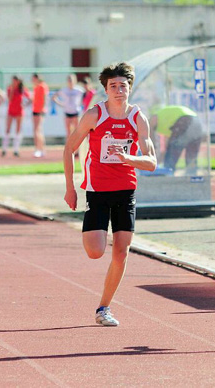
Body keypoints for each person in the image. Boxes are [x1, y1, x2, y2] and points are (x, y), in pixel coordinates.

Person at [63, 62, 157, 326]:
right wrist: (70, 188)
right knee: (95, 252)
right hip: (97, 190)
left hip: (126, 190)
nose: (119, 91)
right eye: (113, 86)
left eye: (123, 86)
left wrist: (127, 157)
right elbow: (69, 149)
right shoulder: (94, 115)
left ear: (130, 88)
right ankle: (96, 232)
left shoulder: (138, 118)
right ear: (105, 89)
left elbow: (151, 162)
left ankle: (104, 308)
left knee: (122, 252)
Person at [150, 105, 204, 174]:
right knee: (191, 155)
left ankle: (168, 172)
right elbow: (167, 144)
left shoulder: (155, 118)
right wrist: (161, 158)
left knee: (173, 150)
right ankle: (191, 176)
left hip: (184, 120)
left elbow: (150, 130)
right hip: (197, 122)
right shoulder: (165, 125)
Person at [3, 76, 31, 157]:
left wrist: (24, 105)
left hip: (19, 112)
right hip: (11, 112)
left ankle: (16, 149)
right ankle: (4, 149)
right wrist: (12, 89)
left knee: (18, 130)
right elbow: (10, 99)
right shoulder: (10, 89)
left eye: (15, 81)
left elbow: (30, 98)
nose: (14, 82)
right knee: (8, 129)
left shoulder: (22, 89)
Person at [52, 74, 84, 138]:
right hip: (67, 112)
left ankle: (77, 147)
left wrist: (82, 104)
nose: (70, 82)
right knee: (68, 132)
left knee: (77, 131)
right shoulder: (64, 90)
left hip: (76, 112)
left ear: (75, 81)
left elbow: (86, 96)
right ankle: (69, 146)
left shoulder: (79, 90)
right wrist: (61, 104)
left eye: (71, 80)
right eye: (69, 80)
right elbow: (54, 97)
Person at [31, 73, 49, 158]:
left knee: (37, 130)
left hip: (39, 111)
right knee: (36, 130)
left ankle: (40, 149)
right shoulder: (36, 87)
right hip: (35, 110)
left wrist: (42, 110)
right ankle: (40, 149)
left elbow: (44, 99)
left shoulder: (42, 86)